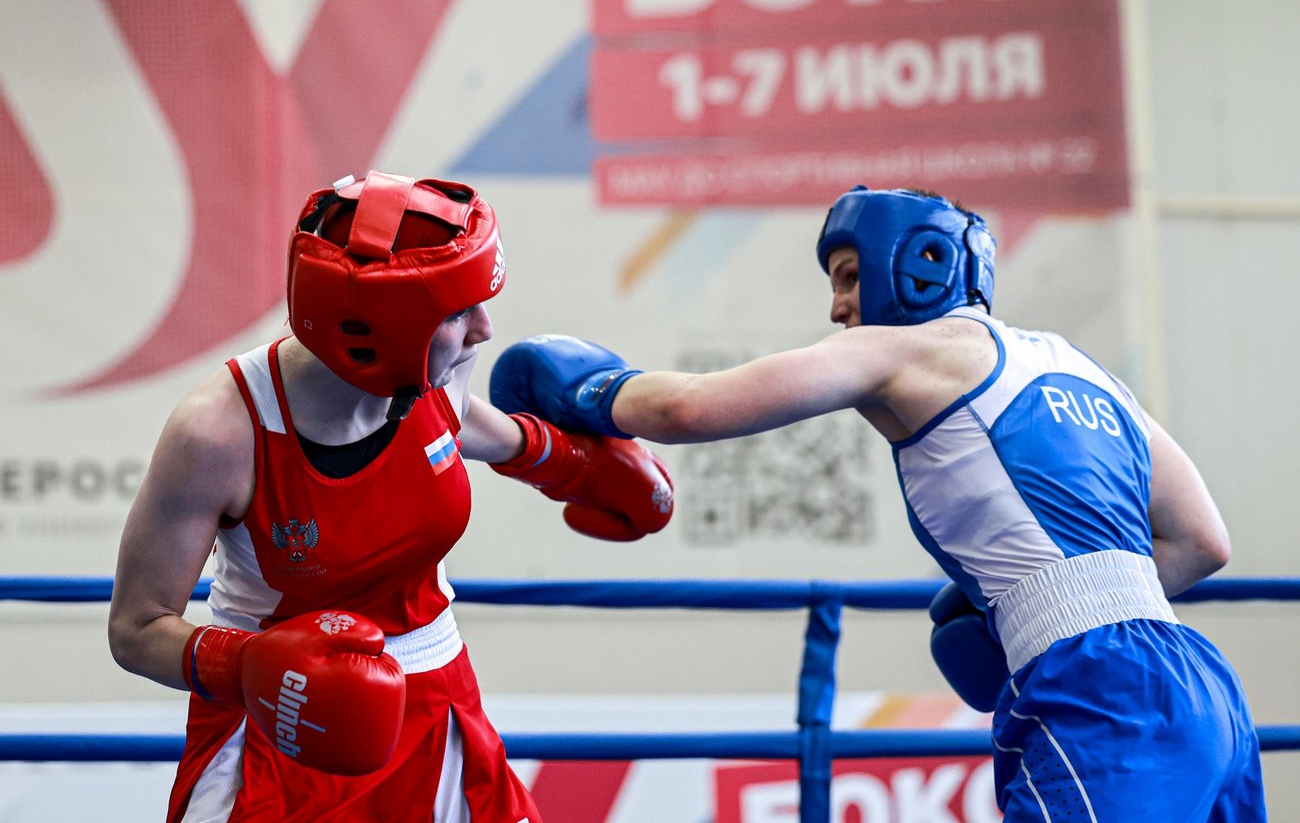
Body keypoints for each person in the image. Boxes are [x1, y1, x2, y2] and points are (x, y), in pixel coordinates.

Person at [488, 185, 1267, 821]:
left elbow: (688, 408)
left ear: (918, 264)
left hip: (1100, 693)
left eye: (849, 277)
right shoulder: (1087, 371)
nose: (838, 308)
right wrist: (1039, 602)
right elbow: (1204, 541)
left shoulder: (907, 351)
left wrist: (591, 391)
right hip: (1204, 689)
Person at [107, 170, 674, 823]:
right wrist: (246, 667)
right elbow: (135, 629)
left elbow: (459, 422)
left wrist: (573, 464)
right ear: (380, 330)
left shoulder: (434, 367)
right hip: (279, 720)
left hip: (438, 701)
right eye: (457, 312)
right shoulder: (219, 432)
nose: (484, 330)